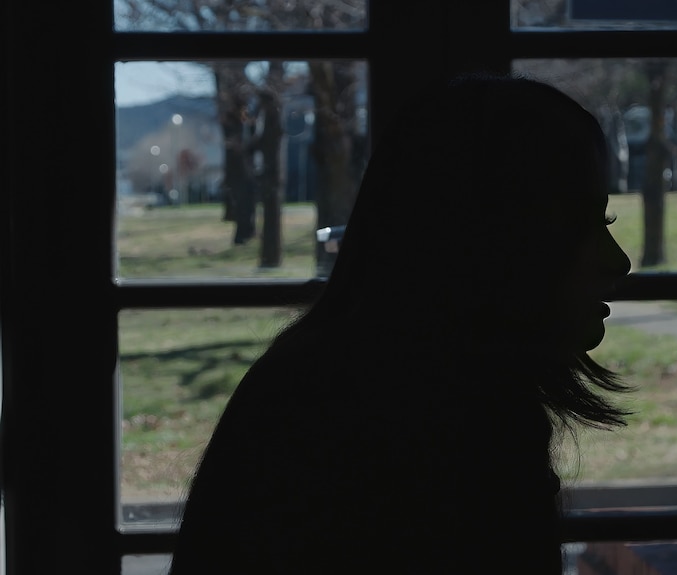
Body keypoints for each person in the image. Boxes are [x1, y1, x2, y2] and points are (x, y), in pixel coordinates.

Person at [168, 72, 633, 575]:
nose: (618, 261)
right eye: (584, 224)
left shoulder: (325, 381)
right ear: (504, 239)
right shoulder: (452, 428)